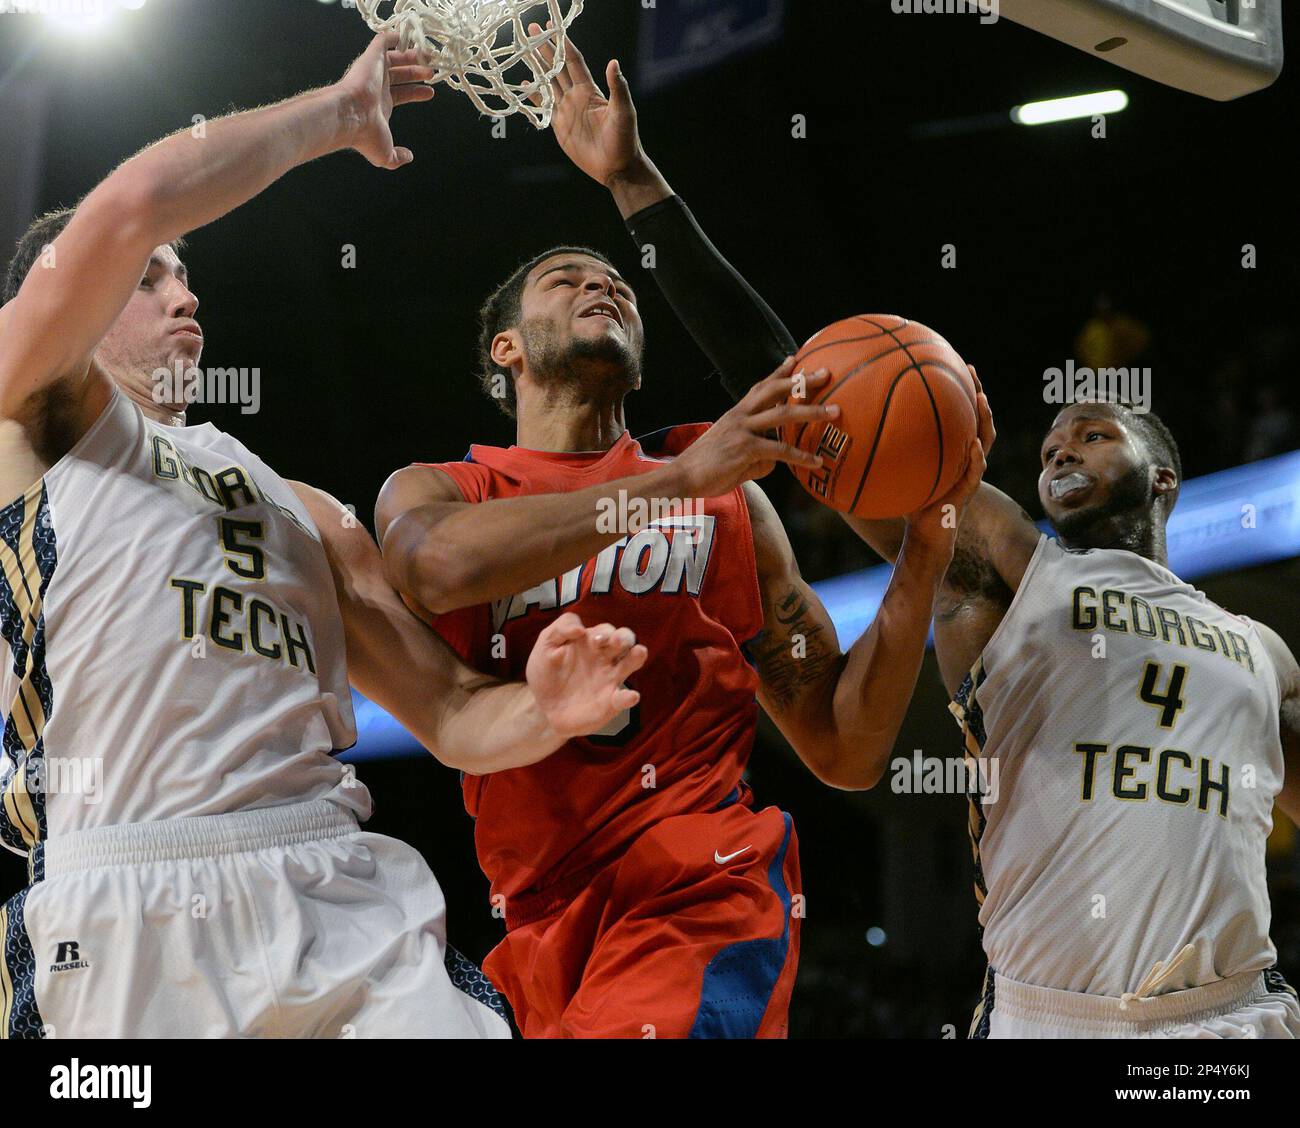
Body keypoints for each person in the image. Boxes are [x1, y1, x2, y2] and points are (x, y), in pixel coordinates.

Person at [544, 34, 1300, 1038]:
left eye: (1093, 430)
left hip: (1232, 1023)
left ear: (1162, 476)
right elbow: (798, 398)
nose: (1059, 444)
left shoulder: (1263, 652)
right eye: (1051, 440)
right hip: (1054, 1019)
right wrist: (637, 182)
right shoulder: (1011, 569)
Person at [0, 32, 645, 1039]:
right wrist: (332, 116)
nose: (185, 293)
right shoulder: (35, 421)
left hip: (328, 883)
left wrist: (546, 709)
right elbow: (134, 203)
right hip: (125, 898)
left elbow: (448, 715)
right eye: (149, 280)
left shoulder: (309, 509)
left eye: (184, 277)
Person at [373, 44, 990, 1041]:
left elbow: (844, 749)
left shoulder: (729, 501)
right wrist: (674, 483)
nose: (601, 288)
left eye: (617, 284)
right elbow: (434, 568)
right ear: (505, 348)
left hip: (700, 889)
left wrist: (920, 560)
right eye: (567, 280)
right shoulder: (449, 490)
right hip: (533, 923)